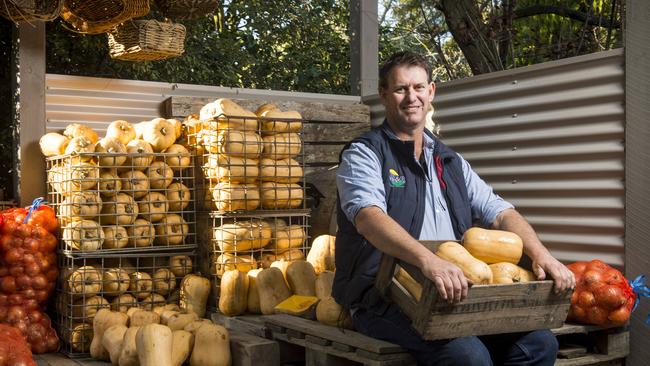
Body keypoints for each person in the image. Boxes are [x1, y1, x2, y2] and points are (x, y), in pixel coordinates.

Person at [332, 51, 576, 366]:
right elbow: (368, 217)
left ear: (431, 92)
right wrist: (428, 261)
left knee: (539, 345)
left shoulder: (450, 161)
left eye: (418, 88)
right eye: (400, 89)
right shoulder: (365, 153)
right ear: (383, 95)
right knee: (469, 358)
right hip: (383, 294)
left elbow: (500, 212)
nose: (411, 97)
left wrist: (542, 254)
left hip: (455, 290)